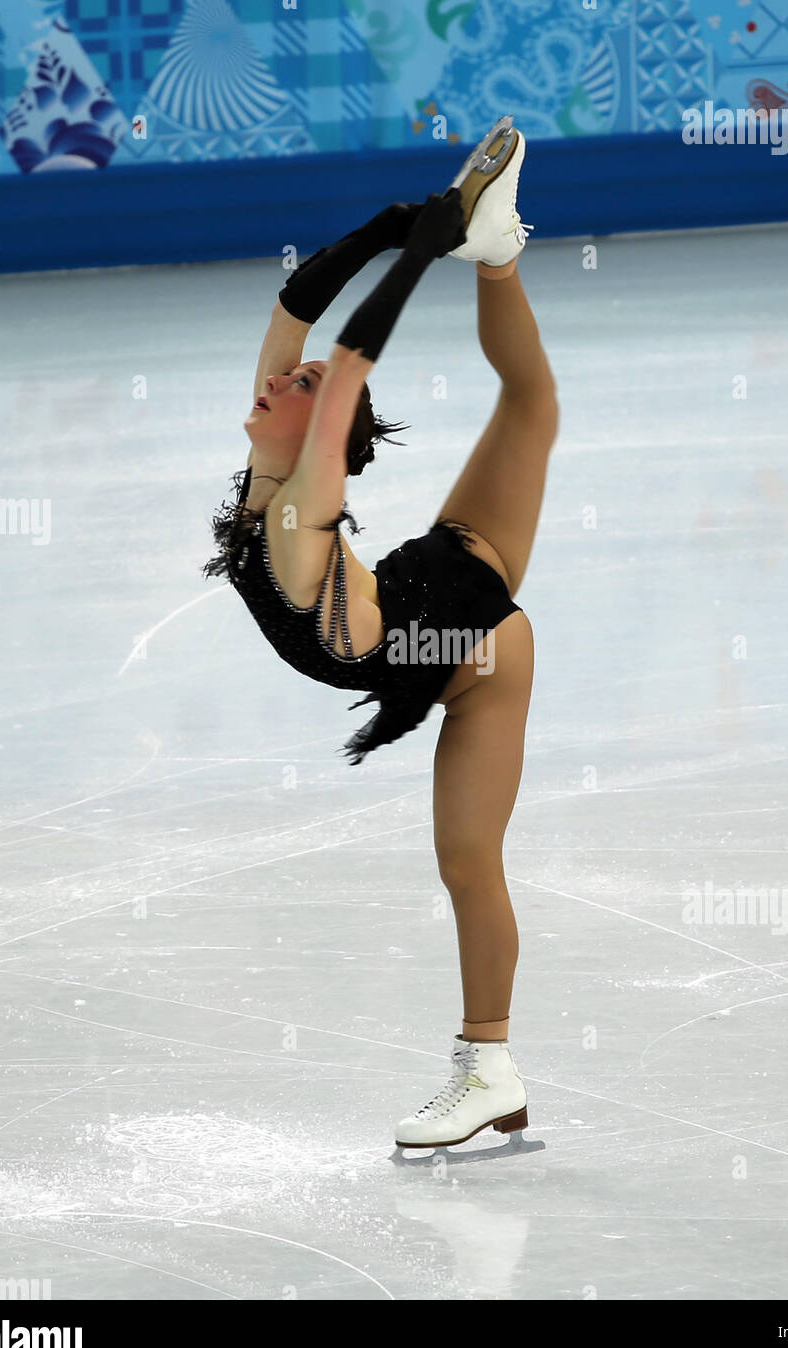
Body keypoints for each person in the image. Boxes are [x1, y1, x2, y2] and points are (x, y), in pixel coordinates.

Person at [204, 115, 559, 1150]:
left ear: (318, 438)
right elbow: (298, 309)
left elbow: (349, 360)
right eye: (284, 380)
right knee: (531, 402)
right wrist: (396, 225)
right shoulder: (276, 475)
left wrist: (417, 255)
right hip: (431, 578)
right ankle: (499, 255)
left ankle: (486, 1065)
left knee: (465, 863)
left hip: (473, 653)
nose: (277, 378)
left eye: (295, 388)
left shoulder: (299, 509)